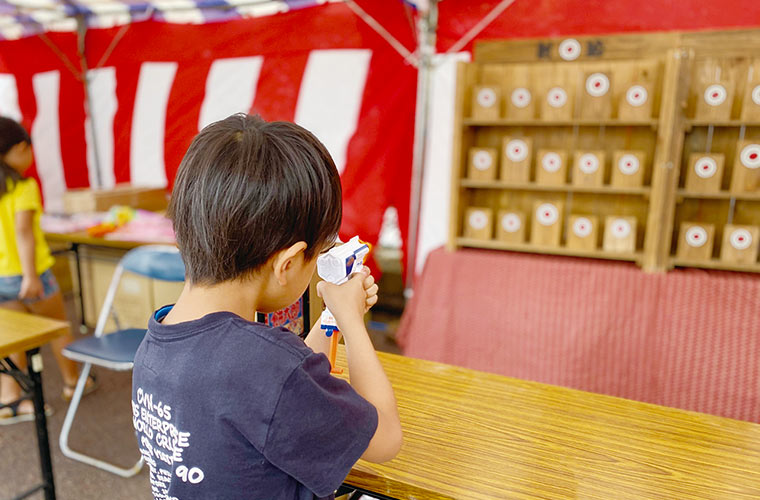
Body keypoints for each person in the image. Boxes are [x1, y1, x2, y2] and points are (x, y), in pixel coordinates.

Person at [131, 114, 402, 500]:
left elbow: (277, 394)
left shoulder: (156, 344)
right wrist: (352, 322)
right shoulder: (268, 368)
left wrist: (331, 318)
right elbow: (386, 439)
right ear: (288, 264)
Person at [0, 117, 95, 424]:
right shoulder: (23, 188)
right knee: (58, 328)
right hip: (30, 275)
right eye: (27, 149)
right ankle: (72, 384)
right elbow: (24, 233)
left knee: (16, 338)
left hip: (1, 278)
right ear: (17, 149)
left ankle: (10, 399)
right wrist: (29, 275)